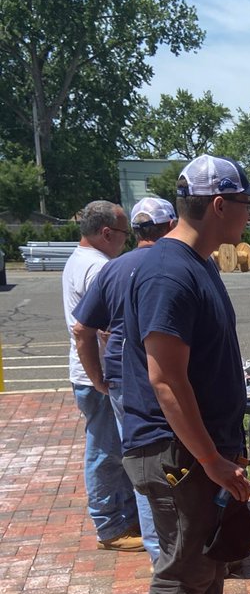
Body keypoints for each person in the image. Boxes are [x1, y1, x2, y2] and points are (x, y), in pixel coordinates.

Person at [120, 155, 250, 594]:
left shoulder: (199, 264)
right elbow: (165, 377)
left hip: (201, 451)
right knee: (183, 572)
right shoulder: (169, 272)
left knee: (208, 565)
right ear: (219, 206)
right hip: (177, 454)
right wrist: (210, 459)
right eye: (245, 203)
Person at [72, 196, 177, 564]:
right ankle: (173, 546)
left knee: (139, 459)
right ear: (169, 226)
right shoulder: (175, 263)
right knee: (171, 461)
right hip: (158, 377)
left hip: (119, 378)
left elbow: (82, 327)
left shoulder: (113, 268)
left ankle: (158, 549)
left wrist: (98, 377)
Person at [62, 200, 143, 551]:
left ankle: (122, 515)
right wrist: (99, 378)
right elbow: (103, 331)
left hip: (91, 373)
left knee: (109, 448)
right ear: (106, 232)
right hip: (100, 376)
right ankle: (111, 525)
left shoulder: (79, 260)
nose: (126, 241)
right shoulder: (99, 268)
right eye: (125, 234)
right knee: (107, 452)